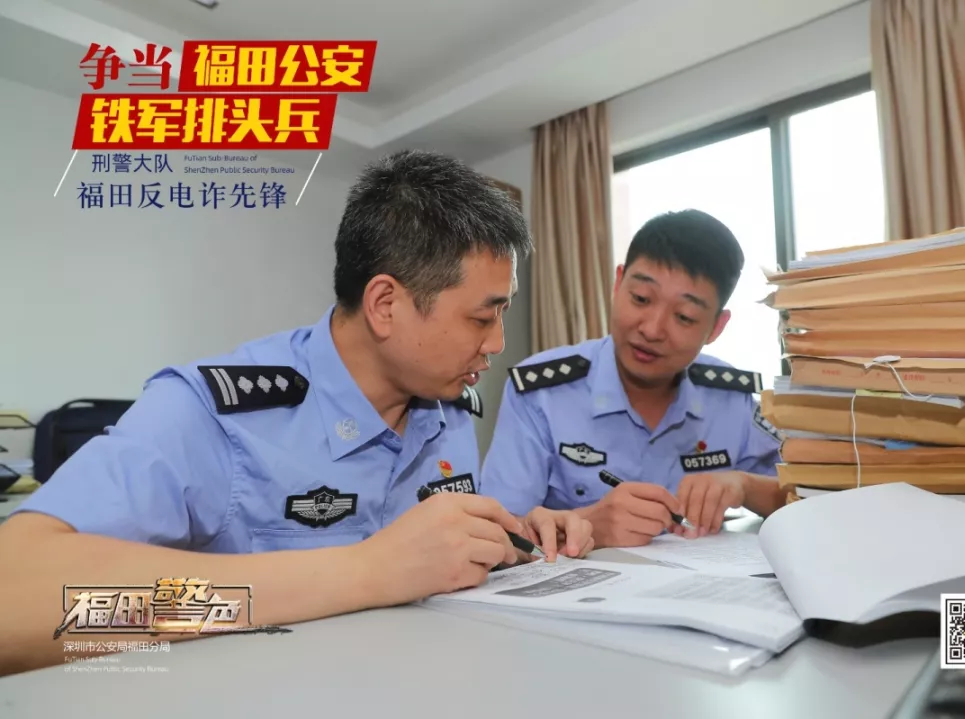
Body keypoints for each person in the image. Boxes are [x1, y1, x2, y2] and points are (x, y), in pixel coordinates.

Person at [0, 149, 593, 676]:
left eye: (502, 315)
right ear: (385, 304)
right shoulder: (216, 414)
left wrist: (511, 538)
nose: (497, 344)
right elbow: (16, 594)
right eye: (482, 317)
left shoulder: (450, 408)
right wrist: (364, 572)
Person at [479, 209, 785, 549]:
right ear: (618, 283)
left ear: (716, 327)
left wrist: (745, 485)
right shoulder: (541, 394)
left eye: (684, 317)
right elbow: (499, 533)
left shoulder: (731, 398)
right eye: (640, 299)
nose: (652, 330)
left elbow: (806, 500)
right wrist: (589, 524)